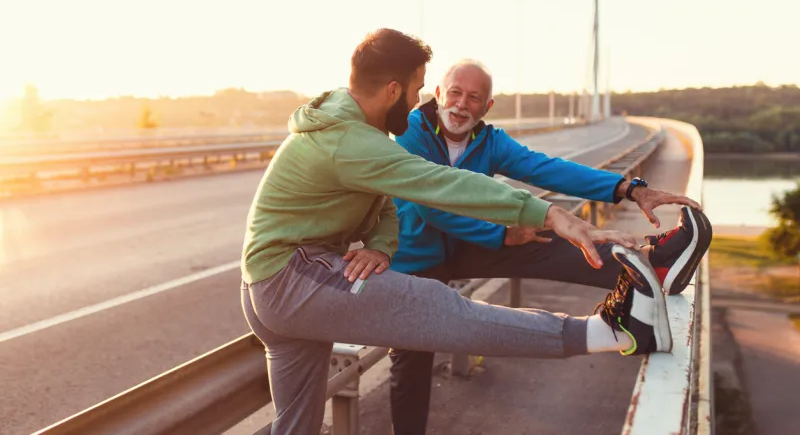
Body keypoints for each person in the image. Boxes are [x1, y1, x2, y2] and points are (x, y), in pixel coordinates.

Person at [239, 29, 709, 435]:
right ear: (393, 89)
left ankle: (651, 266)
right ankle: (610, 332)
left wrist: (382, 246)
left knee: (296, 426)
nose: (429, 98)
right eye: (424, 88)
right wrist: (545, 216)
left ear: (487, 105)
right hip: (296, 278)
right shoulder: (364, 140)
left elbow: (385, 205)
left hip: (279, 284)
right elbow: (436, 187)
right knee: (441, 313)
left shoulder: (362, 131)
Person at [387, 59, 713, 435]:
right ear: (439, 94)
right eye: (455, 93)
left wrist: (630, 189)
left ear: (488, 107)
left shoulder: (489, 141)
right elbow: (430, 203)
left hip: (462, 244)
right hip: (413, 257)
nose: (461, 105)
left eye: (474, 98)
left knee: (544, 236)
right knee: (412, 354)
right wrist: (500, 234)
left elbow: (548, 169)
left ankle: (653, 267)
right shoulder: (411, 133)